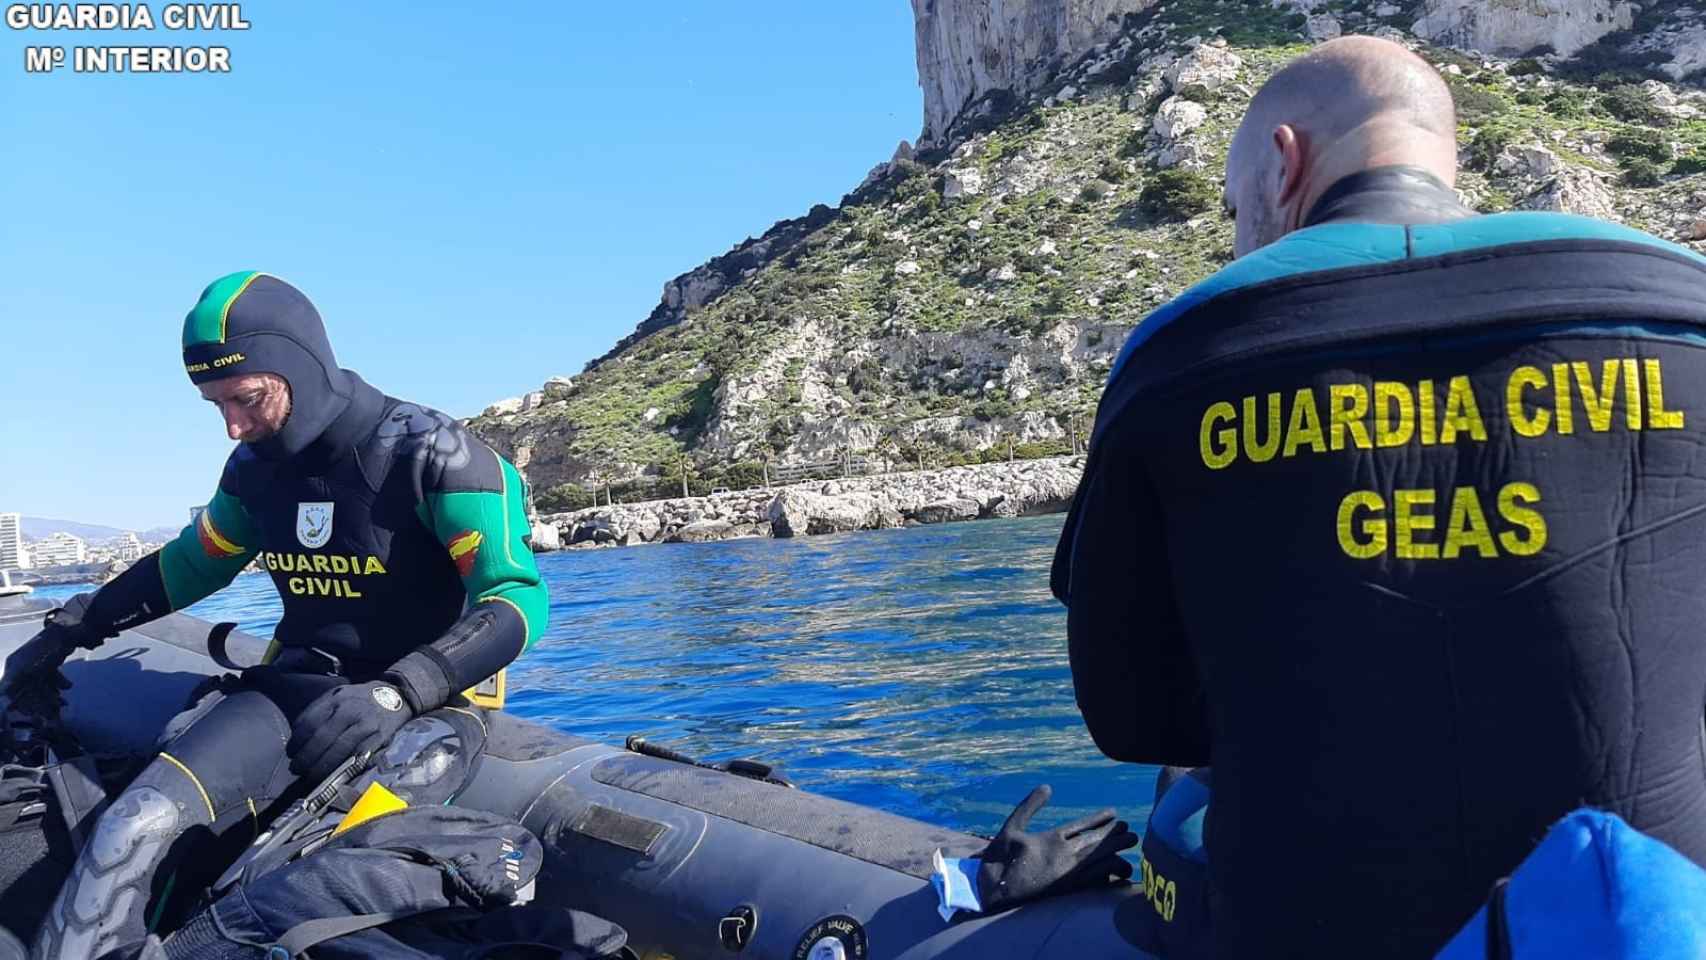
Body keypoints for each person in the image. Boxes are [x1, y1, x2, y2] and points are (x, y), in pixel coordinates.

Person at [1053, 35, 1706, 957]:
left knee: (1178, 806)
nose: (1241, 238)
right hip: (1652, 918)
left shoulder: (1181, 350)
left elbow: (1133, 716)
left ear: (1285, 164)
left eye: (1238, 208)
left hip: (1307, 925)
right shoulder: (1680, 298)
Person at [2, 271, 549, 958]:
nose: (233, 424)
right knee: (131, 828)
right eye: (216, 405)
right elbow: (195, 563)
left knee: (279, 884)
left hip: (421, 714)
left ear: (300, 368)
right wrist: (73, 625)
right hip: (292, 693)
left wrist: (401, 688)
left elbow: (516, 596)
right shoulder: (253, 471)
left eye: (247, 398)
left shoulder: (438, 456)